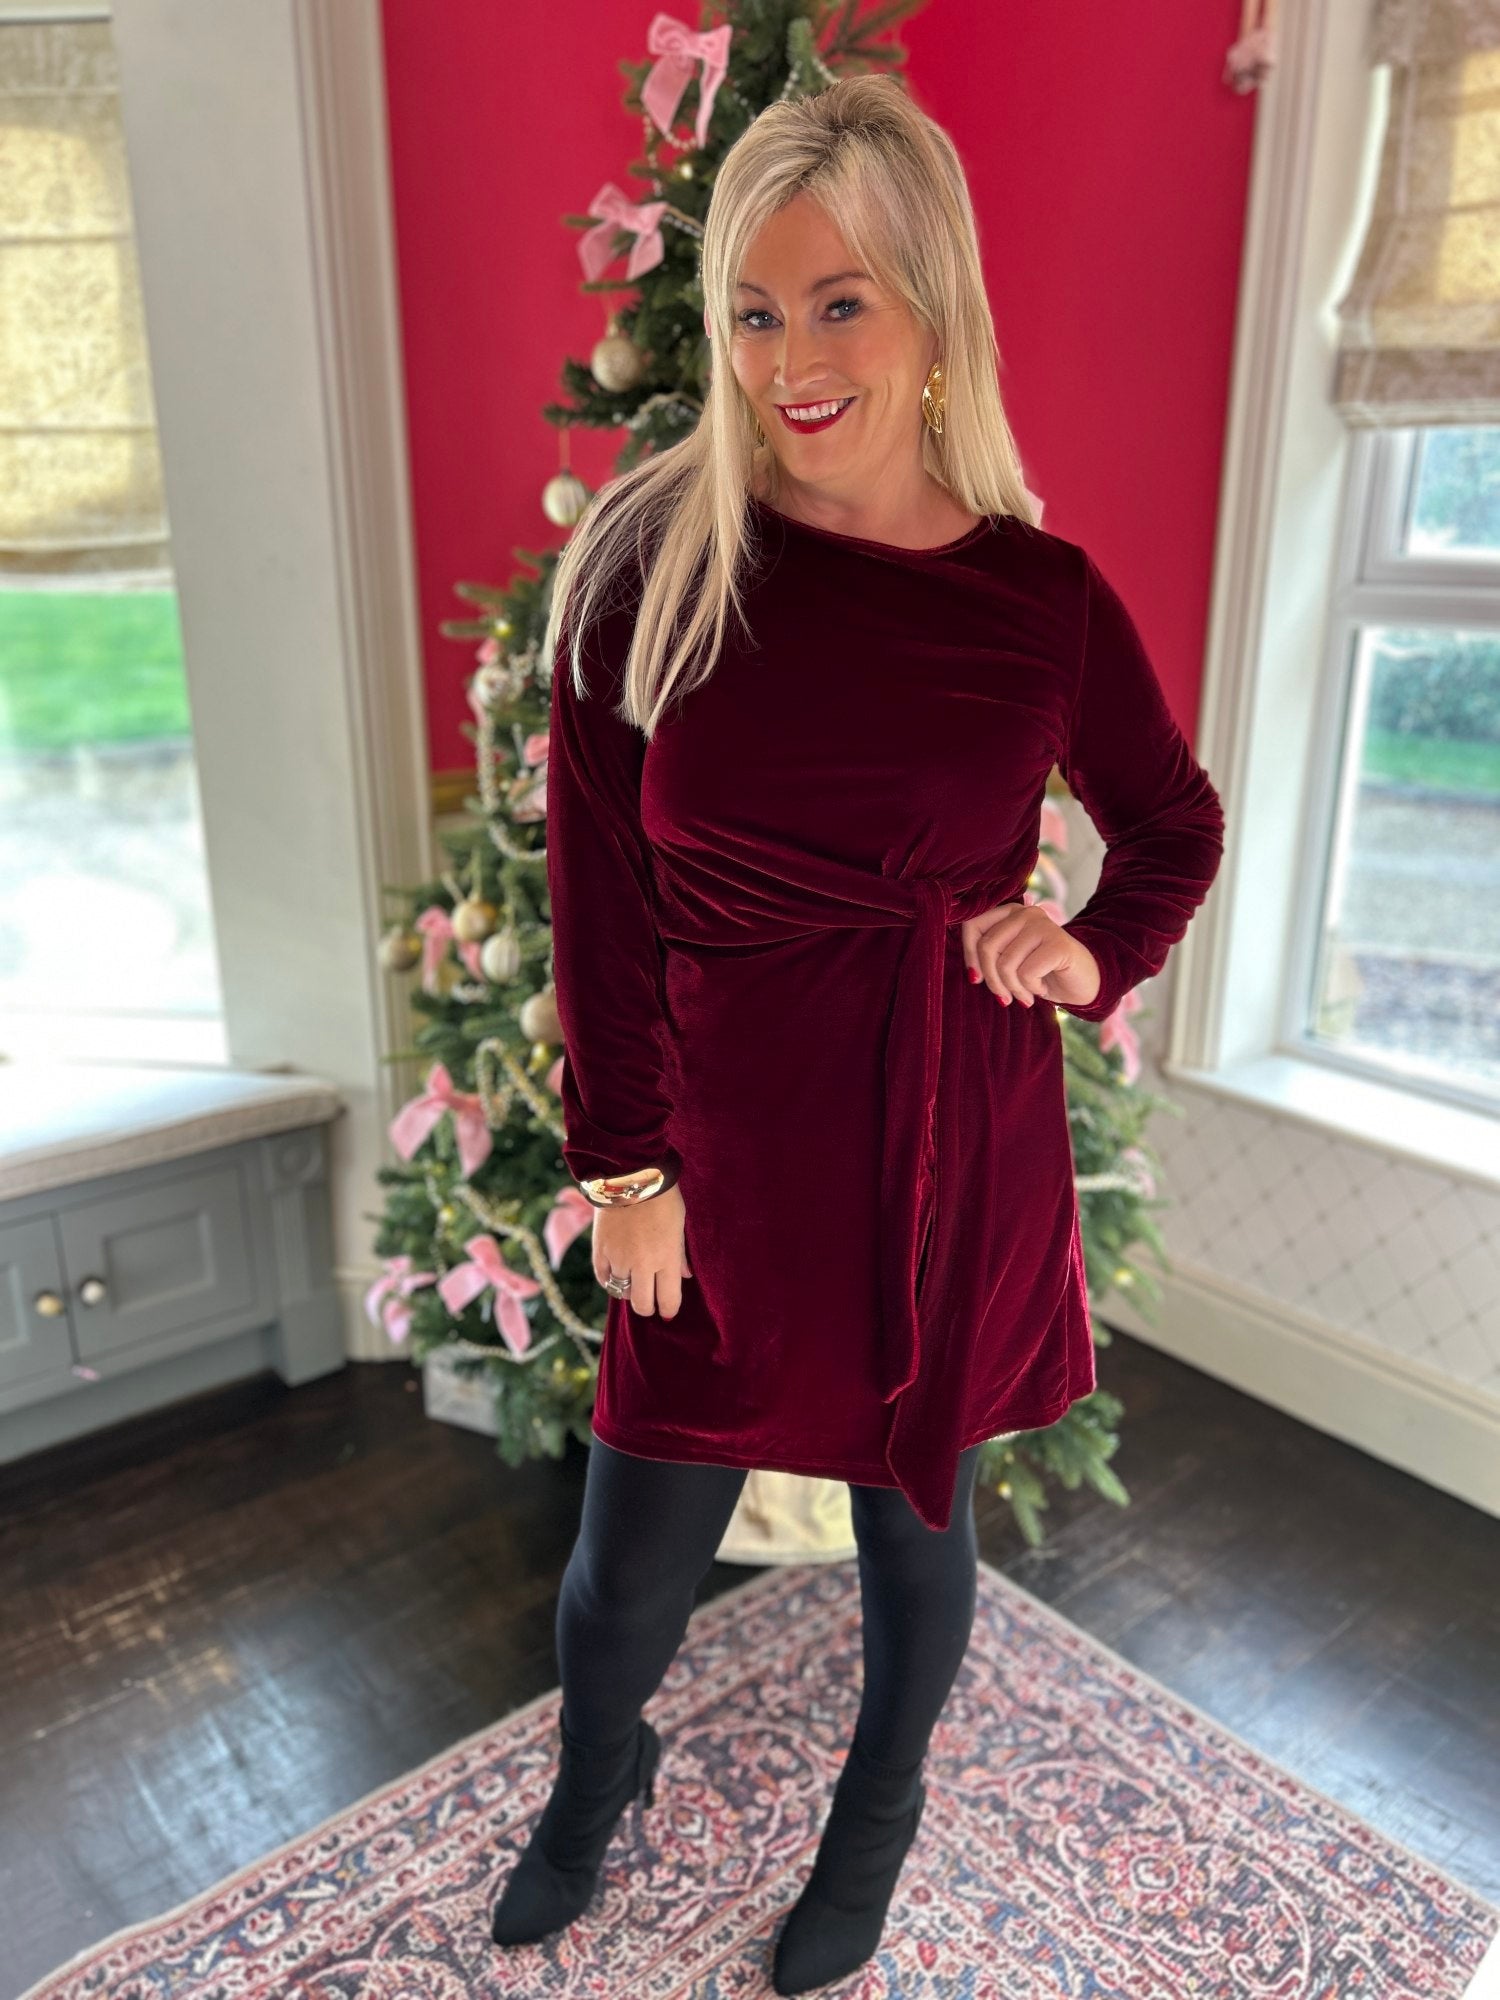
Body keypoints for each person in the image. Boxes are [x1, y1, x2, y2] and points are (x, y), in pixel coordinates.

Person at [490, 74, 1226, 1995]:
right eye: (755, 311)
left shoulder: (1040, 601)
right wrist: (626, 1171)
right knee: (627, 1573)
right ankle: (594, 1779)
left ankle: (871, 1827)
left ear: (932, 313)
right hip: (719, 1160)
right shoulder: (650, 565)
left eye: (841, 304)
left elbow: (1173, 823)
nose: (793, 361)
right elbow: (601, 904)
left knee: (918, 1532)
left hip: (944, 1142)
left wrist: (1087, 952)